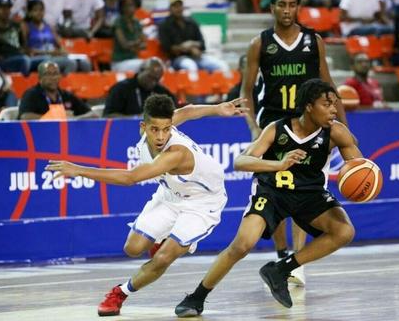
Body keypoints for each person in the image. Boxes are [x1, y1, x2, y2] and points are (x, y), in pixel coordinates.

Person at [45, 94, 248, 317]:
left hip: (201, 204)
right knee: (132, 248)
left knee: (162, 258)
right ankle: (163, 238)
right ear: (144, 126)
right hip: (170, 194)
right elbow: (188, 111)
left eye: (167, 129)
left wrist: (78, 169)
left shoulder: (176, 154)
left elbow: (130, 178)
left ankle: (120, 293)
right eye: (155, 129)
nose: (161, 136)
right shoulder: (153, 128)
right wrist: (217, 109)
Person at [175, 79, 358, 317]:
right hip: (272, 192)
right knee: (242, 245)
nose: (334, 110)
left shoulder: (336, 132)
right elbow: (240, 162)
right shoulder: (277, 128)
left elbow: (359, 167)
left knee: (344, 231)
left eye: (335, 104)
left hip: (310, 194)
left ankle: (282, 269)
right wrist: (278, 164)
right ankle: (197, 296)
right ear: (309, 106)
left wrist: (362, 182)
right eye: (327, 104)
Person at [240, 0, 348, 285]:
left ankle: (295, 260)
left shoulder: (314, 41)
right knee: (273, 190)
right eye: (281, 5)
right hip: (273, 124)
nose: (286, 10)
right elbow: (246, 90)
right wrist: (253, 126)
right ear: (272, 8)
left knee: (305, 190)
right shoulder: (259, 44)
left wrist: (343, 124)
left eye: (291, 5)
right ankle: (281, 251)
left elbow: (329, 86)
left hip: (310, 125)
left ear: (298, 7)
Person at [158, 0, 230, 77]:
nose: (178, 9)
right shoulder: (164, 25)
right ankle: (193, 89)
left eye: (180, 6)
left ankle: (225, 88)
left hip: (197, 56)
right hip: (178, 59)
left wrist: (192, 44)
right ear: (170, 8)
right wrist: (186, 48)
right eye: (175, 6)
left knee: (222, 65)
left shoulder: (191, 22)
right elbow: (166, 47)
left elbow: (202, 43)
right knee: (191, 67)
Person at [18, 61, 97, 120]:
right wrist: (55, 117)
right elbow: (25, 117)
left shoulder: (67, 95)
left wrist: (74, 119)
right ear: (40, 78)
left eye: (55, 74)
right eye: (48, 74)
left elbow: (92, 114)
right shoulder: (31, 94)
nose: (53, 78)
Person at [103, 57, 177, 118]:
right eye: (150, 77)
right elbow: (108, 116)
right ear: (141, 70)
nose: (153, 82)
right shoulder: (121, 89)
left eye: (156, 79)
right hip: (125, 130)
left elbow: (175, 114)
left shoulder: (162, 92)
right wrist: (136, 118)